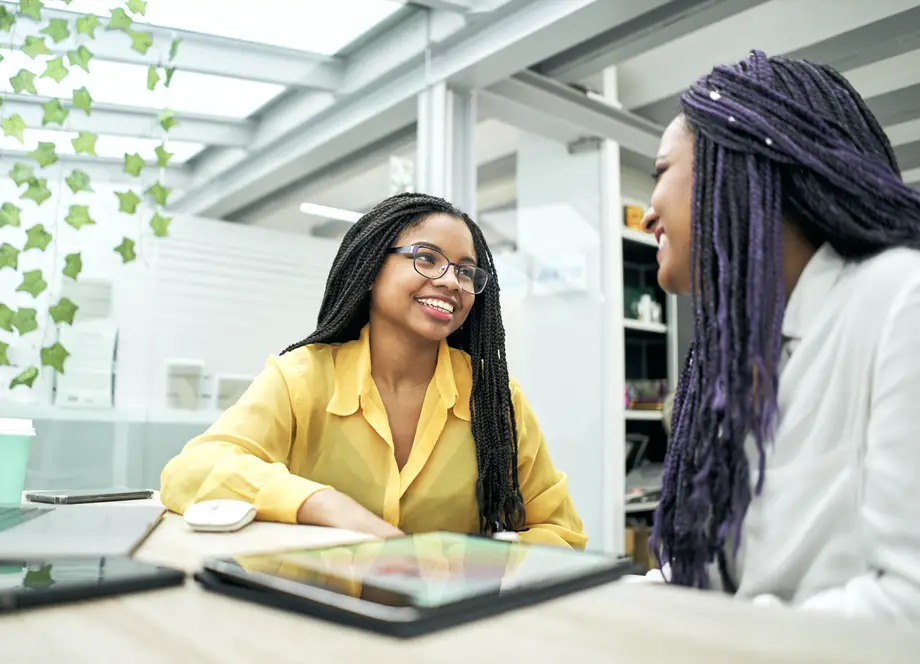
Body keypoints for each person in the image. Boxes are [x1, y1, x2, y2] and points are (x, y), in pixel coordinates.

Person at [640, 49, 920, 621]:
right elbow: (732, 580)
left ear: (733, 164)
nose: (646, 213)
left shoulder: (900, 300)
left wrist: (712, 634)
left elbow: (909, 603)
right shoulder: (741, 358)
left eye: (661, 171)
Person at [160, 193, 586, 549]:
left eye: (465, 271)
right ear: (369, 270)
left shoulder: (494, 397)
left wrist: (472, 566)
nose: (452, 281)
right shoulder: (303, 378)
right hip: (317, 617)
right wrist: (324, 505)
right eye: (427, 258)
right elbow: (191, 470)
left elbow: (562, 532)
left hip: (448, 626)